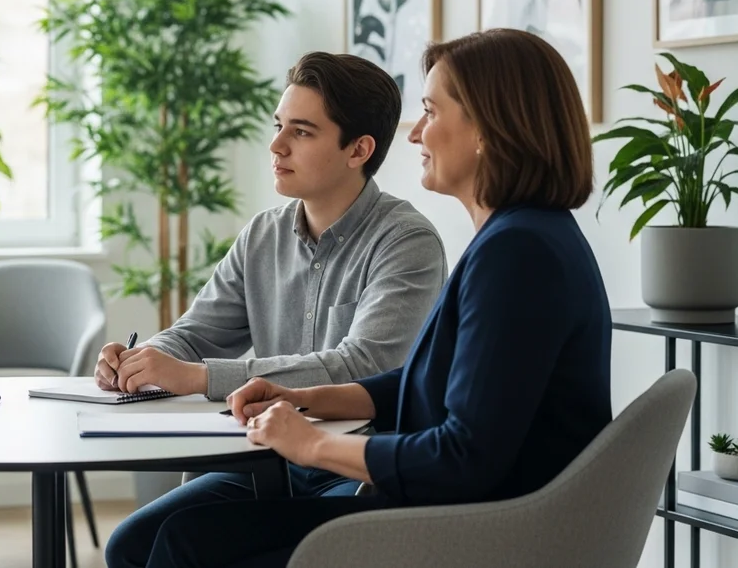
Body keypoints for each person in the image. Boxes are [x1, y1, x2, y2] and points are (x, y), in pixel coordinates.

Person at [141, 28, 613, 568]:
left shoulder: (517, 254)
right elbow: (436, 382)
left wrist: (312, 444)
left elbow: (463, 455)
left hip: (476, 531)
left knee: (184, 543)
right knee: (150, 540)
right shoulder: (525, 237)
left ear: (487, 129)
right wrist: (309, 397)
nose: (415, 135)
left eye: (430, 112)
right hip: (467, 509)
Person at [102, 52, 448, 567]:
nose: (276, 145)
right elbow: (195, 334)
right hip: (267, 458)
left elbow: (362, 366)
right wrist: (139, 361)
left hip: (356, 472)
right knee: (130, 545)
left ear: (358, 149)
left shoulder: (406, 242)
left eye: (301, 132)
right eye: (278, 125)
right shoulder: (263, 234)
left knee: (182, 548)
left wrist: (199, 377)